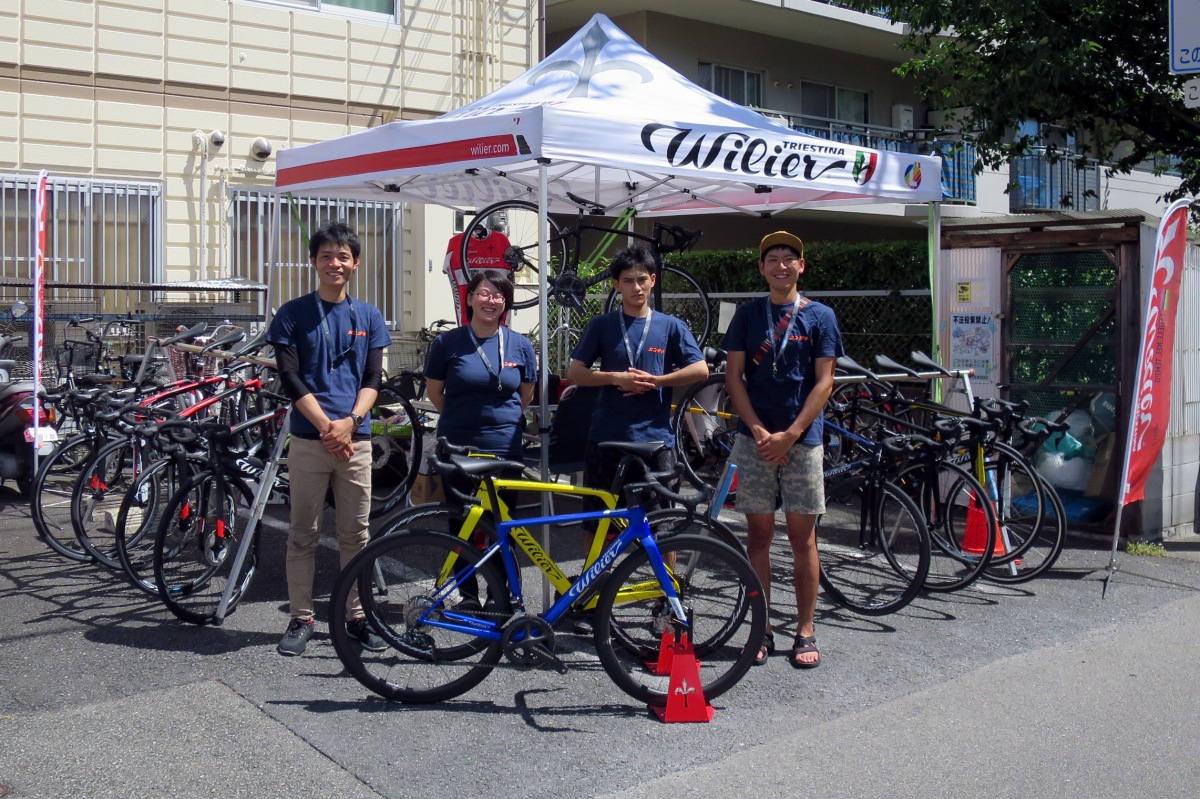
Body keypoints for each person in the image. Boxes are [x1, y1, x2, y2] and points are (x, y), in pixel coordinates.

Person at [566, 244, 709, 631]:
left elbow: (700, 368)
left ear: (653, 281)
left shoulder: (670, 326)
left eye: (642, 280)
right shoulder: (601, 325)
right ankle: (591, 592)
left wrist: (659, 381)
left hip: (655, 441)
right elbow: (575, 372)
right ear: (616, 285)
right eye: (627, 281)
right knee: (596, 522)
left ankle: (665, 600)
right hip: (606, 438)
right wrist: (616, 378)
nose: (635, 287)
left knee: (662, 525)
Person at [267, 221, 392, 657]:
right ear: (313, 261)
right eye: (326, 255)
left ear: (355, 263)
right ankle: (301, 616)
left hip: (354, 442)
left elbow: (374, 377)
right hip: (308, 441)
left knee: (356, 535)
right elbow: (290, 376)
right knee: (303, 533)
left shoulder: (370, 316)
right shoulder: (292, 313)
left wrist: (351, 422)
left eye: (343, 256)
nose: (334, 263)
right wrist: (327, 426)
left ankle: (356, 616)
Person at [724, 231, 844, 669]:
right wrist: (758, 430)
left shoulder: (821, 317)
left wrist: (791, 433)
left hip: (804, 441)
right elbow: (733, 377)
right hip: (753, 440)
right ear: (761, 268)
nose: (780, 265)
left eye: (788, 258)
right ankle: (762, 628)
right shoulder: (747, 315)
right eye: (771, 258)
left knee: (802, 539)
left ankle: (806, 628)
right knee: (757, 536)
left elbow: (824, 382)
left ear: (801, 266)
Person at [424, 269, 538, 461]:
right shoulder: (446, 343)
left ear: (505, 303)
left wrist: (502, 419)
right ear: (470, 299)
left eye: (497, 296)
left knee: (502, 492)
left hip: (505, 444)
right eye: (483, 294)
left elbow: (527, 394)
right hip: (457, 443)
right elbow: (434, 393)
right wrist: (461, 417)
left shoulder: (521, 345)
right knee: (461, 492)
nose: (490, 301)